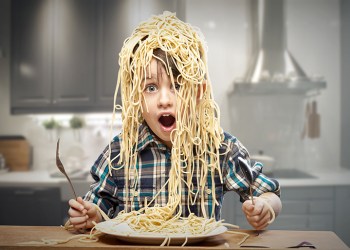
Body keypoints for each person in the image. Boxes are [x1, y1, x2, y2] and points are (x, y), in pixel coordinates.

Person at [68, 12, 282, 232]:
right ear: (136, 96)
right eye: (150, 87)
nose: (164, 100)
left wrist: (265, 207)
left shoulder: (220, 149)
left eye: (178, 86)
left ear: (199, 91)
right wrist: (91, 215)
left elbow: (267, 192)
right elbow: (98, 207)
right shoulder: (119, 153)